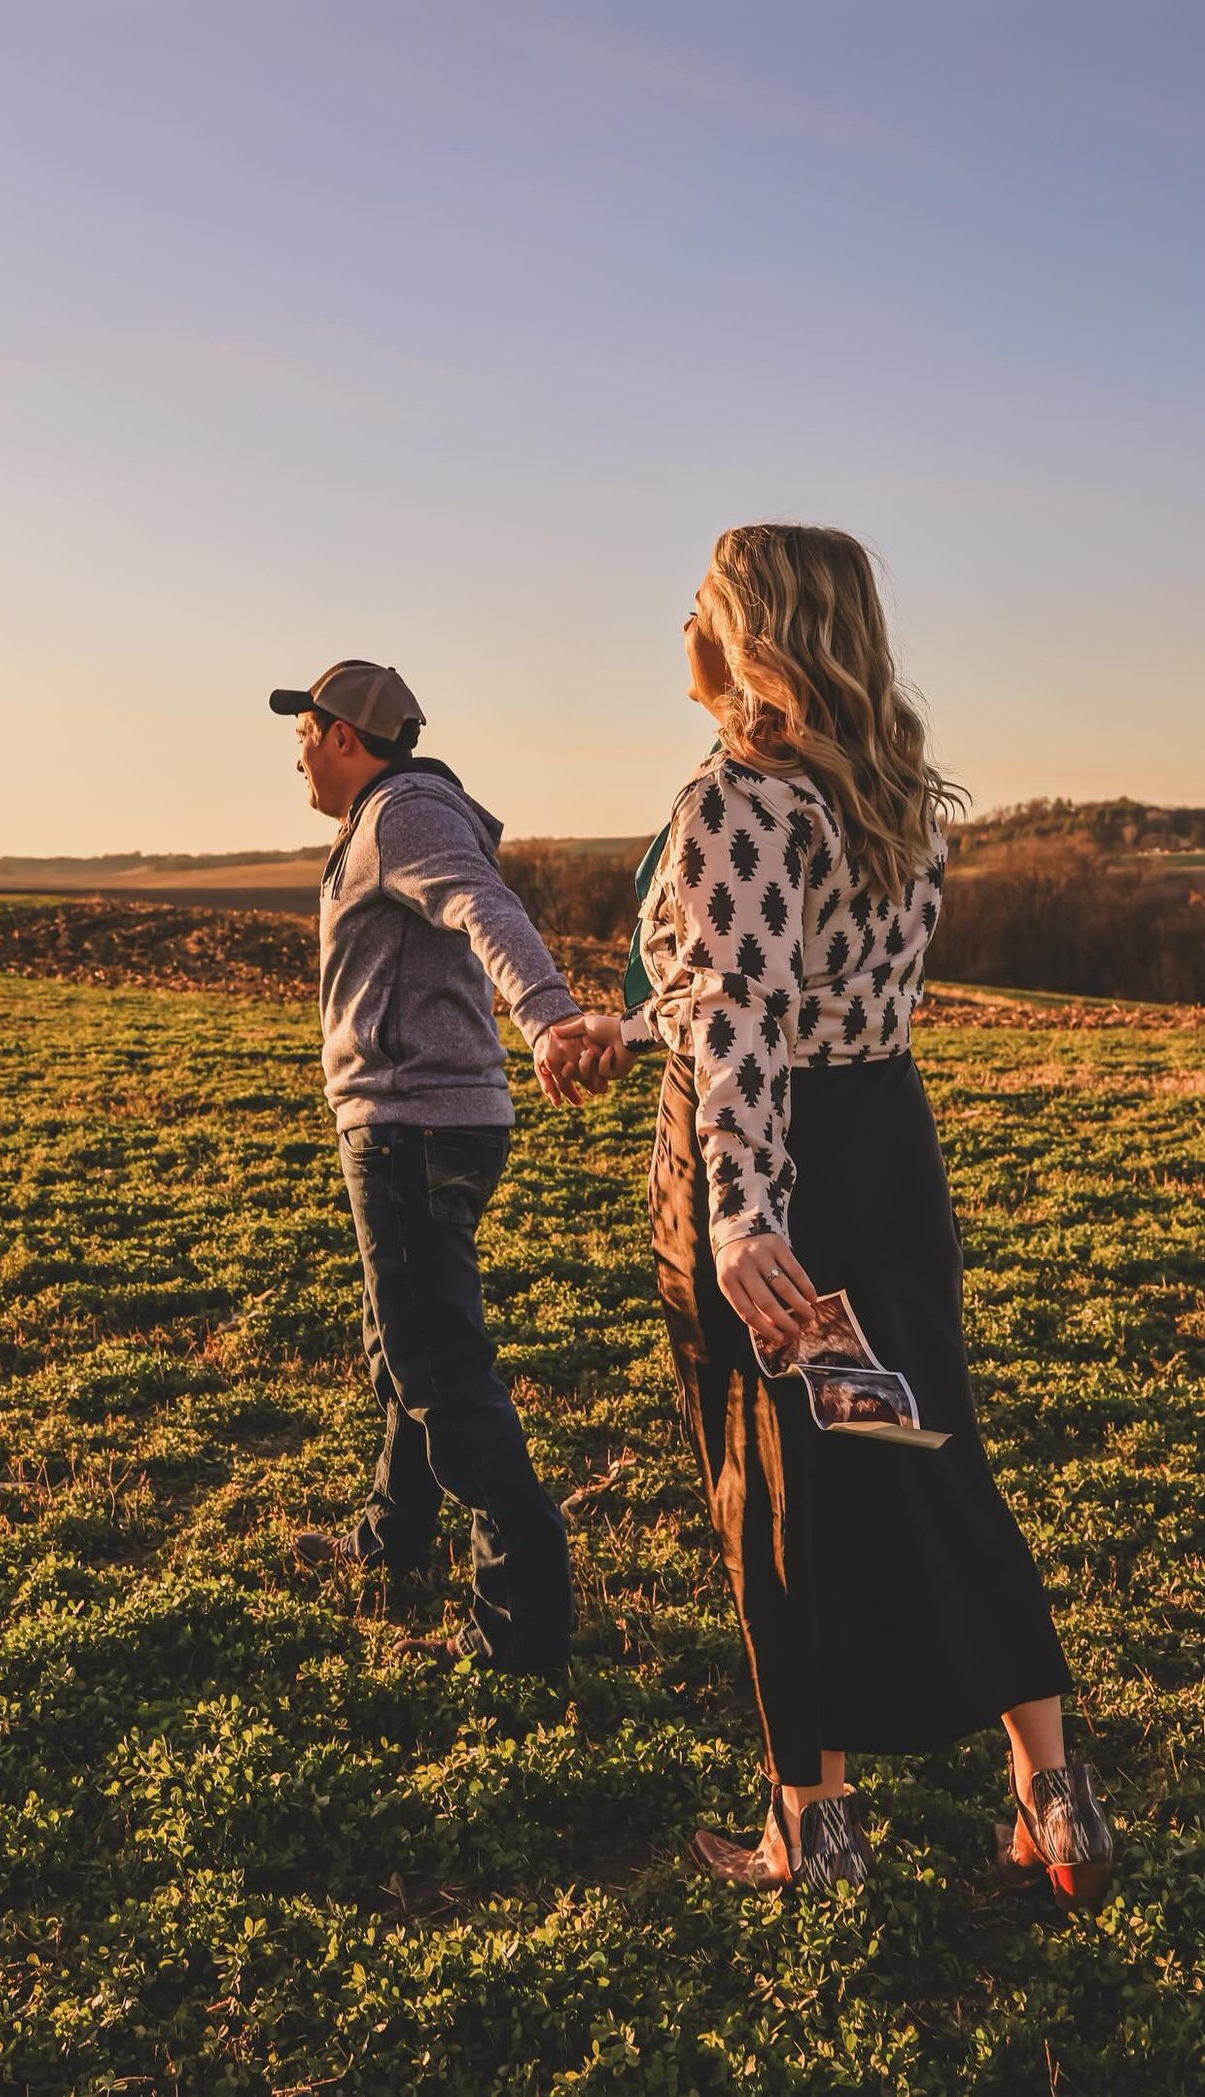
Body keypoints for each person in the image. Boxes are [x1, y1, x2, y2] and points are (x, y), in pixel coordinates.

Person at [560, 526, 1113, 1904]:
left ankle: (815, 1831)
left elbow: (748, 1024)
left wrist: (744, 1218)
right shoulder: (893, 791)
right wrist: (633, 1029)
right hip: (885, 1143)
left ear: (747, 632)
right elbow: (780, 994)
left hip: (770, 1162)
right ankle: (1058, 1800)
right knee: (934, 1458)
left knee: (775, 1490)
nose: (681, 617)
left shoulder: (735, 799)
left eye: (703, 598)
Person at [270, 659, 590, 1679]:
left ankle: (521, 1619)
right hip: (422, 1118)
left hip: (412, 1125)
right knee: (398, 1343)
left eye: (305, 733)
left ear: (344, 739)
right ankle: (393, 1537)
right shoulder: (390, 817)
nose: (298, 754)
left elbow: (481, 906)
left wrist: (545, 1018)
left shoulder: (402, 812)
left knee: (438, 1367)